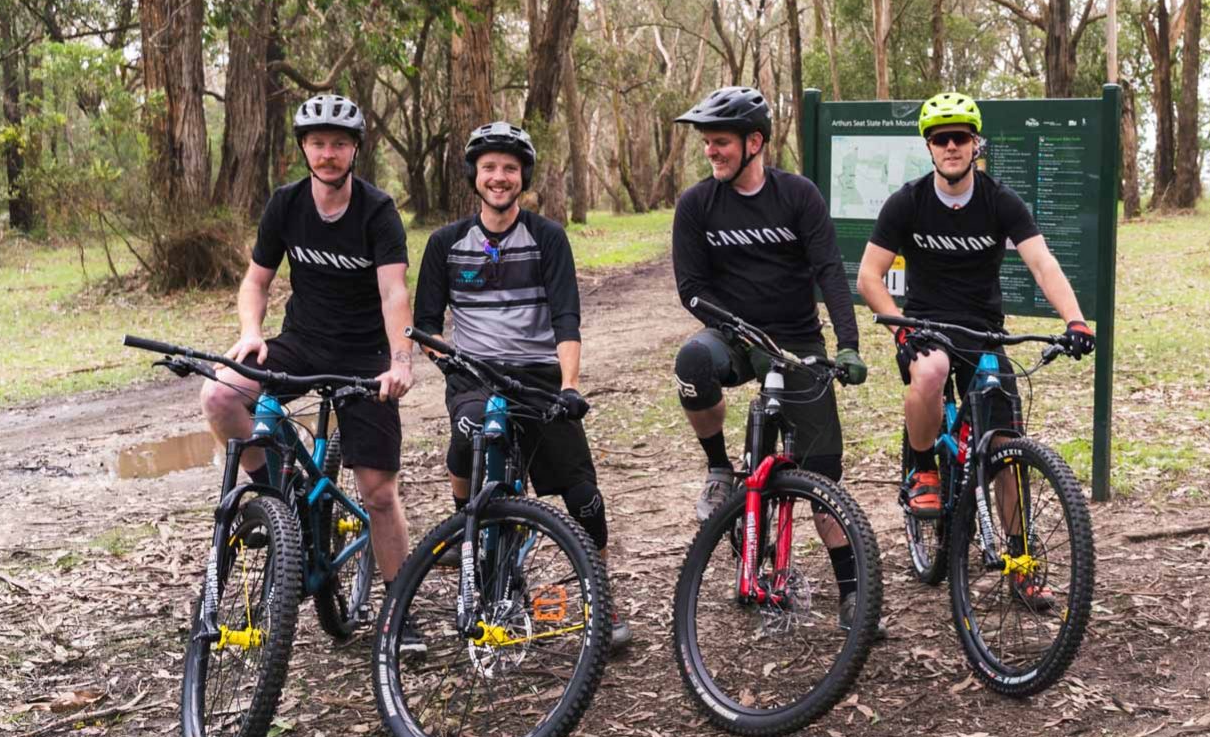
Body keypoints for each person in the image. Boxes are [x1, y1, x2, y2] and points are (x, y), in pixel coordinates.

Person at [854, 91, 1095, 597]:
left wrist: (1075, 319)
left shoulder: (999, 201)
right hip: (925, 327)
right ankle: (923, 471)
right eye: (941, 138)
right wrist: (901, 327)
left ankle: (1021, 563)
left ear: (975, 142)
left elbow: (1043, 263)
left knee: (1005, 446)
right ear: (929, 146)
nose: (951, 146)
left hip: (984, 330)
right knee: (931, 372)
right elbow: (869, 276)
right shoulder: (908, 202)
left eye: (960, 137)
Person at [201, 93, 418, 643]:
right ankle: (273, 495)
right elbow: (256, 282)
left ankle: (399, 612)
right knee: (220, 397)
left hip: (365, 356)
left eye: (339, 144)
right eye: (318, 144)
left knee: (377, 492)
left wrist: (399, 361)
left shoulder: (378, 210)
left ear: (354, 150)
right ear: (304, 148)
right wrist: (252, 333)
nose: (328, 154)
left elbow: (394, 293)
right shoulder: (286, 204)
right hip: (301, 341)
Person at [412, 121, 630, 650]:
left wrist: (570, 385)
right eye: (489, 168)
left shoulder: (548, 237)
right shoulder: (445, 244)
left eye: (509, 168)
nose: (499, 177)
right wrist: (455, 366)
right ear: (474, 176)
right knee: (468, 434)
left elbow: (566, 317)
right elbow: (426, 326)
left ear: (522, 176)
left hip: (538, 377)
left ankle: (600, 597)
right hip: (473, 375)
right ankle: (467, 527)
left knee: (583, 497)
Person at [668, 86, 876, 631]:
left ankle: (853, 595)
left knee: (824, 477)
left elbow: (830, 271)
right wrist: (740, 332)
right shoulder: (696, 205)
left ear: (754, 142)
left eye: (721, 143)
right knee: (692, 363)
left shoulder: (797, 196)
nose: (711, 152)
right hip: (733, 337)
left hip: (797, 341)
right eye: (707, 143)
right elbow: (690, 289)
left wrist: (847, 344)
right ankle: (718, 468)